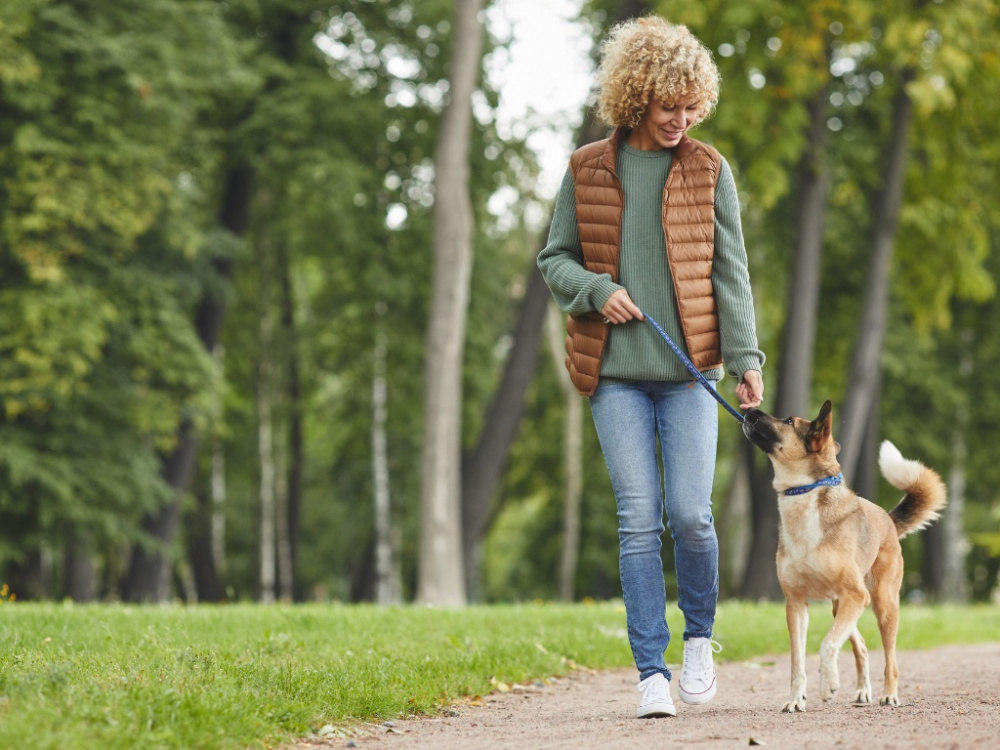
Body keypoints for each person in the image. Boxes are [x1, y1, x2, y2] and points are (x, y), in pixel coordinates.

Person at [537, 16, 765, 719]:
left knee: (692, 517)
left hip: (692, 372)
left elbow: (731, 273)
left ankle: (699, 639)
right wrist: (597, 291)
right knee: (639, 520)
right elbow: (554, 258)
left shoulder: (709, 169)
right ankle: (650, 673)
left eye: (693, 106)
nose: (682, 119)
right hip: (615, 375)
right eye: (671, 107)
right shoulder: (587, 168)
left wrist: (747, 358)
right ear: (637, 99)